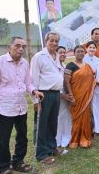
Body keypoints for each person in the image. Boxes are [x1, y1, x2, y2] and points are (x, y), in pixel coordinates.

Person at [0, 36, 43, 174]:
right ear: (9, 47)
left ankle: (18, 162)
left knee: (22, 137)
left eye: (23, 46)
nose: (21, 49)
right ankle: (4, 166)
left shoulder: (25, 63)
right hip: (4, 108)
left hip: (21, 107)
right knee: (4, 140)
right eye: (17, 45)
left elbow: (27, 83)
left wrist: (34, 91)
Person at [31, 32, 64, 164]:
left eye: (56, 41)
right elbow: (33, 79)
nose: (54, 43)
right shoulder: (39, 57)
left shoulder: (57, 56)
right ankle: (41, 154)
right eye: (52, 41)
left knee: (52, 123)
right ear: (46, 41)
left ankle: (51, 148)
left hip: (56, 94)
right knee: (42, 125)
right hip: (43, 94)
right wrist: (35, 100)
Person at [64, 45, 95, 148]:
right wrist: (71, 95)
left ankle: (85, 139)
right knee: (76, 118)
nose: (80, 53)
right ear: (74, 53)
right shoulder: (70, 66)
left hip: (86, 97)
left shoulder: (87, 66)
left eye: (82, 51)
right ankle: (74, 140)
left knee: (86, 117)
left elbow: (93, 78)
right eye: (78, 51)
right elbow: (66, 82)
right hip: (76, 96)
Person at [55, 46, 72, 155]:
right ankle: (57, 142)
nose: (63, 54)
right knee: (58, 120)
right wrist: (63, 95)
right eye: (60, 52)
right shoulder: (54, 67)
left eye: (64, 52)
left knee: (66, 118)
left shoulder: (65, 66)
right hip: (58, 97)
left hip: (66, 97)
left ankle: (65, 140)